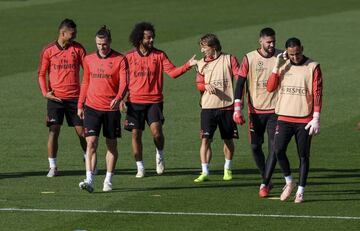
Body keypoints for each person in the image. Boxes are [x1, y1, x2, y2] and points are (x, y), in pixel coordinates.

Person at [122, 22, 197, 178]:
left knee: (157, 133)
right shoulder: (128, 57)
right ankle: (140, 167)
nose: (151, 41)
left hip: (154, 101)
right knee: (136, 134)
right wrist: (120, 98)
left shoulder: (159, 55)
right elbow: (122, 80)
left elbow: (173, 72)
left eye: (152, 38)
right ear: (139, 38)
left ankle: (160, 155)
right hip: (134, 102)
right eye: (148, 38)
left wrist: (188, 65)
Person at [266, 37, 323, 203]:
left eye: (298, 53)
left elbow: (318, 92)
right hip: (284, 117)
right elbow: (270, 88)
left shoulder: (313, 66)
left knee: (303, 156)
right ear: (287, 52)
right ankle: (289, 181)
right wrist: (277, 66)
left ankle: (300, 191)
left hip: (304, 120)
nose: (295, 57)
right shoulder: (283, 65)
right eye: (292, 54)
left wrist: (316, 118)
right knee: (278, 150)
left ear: (302, 49)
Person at [78, 26, 128, 193]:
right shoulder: (88, 59)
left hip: (111, 110)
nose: (101, 47)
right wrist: (80, 104)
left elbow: (124, 83)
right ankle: (90, 179)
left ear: (110, 42)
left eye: (104, 44)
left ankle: (108, 179)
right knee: (90, 142)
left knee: (111, 145)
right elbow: (85, 82)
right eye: (99, 44)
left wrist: (118, 98)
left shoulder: (120, 59)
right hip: (92, 107)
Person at [233, 28, 282, 196]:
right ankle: (266, 177)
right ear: (260, 41)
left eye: (273, 41)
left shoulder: (282, 56)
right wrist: (237, 109)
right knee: (255, 147)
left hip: (276, 111)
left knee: (274, 148)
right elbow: (239, 84)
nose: (272, 45)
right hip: (255, 111)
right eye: (268, 42)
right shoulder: (249, 58)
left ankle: (264, 184)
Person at [37, 18, 87, 177]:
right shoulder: (49, 50)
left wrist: (86, 93)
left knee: (83, 133)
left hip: (75, 98)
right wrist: (45, 92)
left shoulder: (78, 49)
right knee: (53, 131)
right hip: (55, 100)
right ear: (62, 33)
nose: (75, 36)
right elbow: (41, 74)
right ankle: (53, 166)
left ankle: (88, 159)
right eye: (72, 33)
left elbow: (87, 71)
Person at [194, 33, 240, 183]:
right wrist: (205, 85)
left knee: (228, 140)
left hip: (227, 107)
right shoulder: (201, 63)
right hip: (207, 107)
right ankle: (205, 171)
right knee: (205, 140)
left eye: (204, 47)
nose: (202, 51)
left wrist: (239, 102)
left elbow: (239, 78)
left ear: (213, 47)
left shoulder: (229, 59)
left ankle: (227, 168)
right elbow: (199, 84)